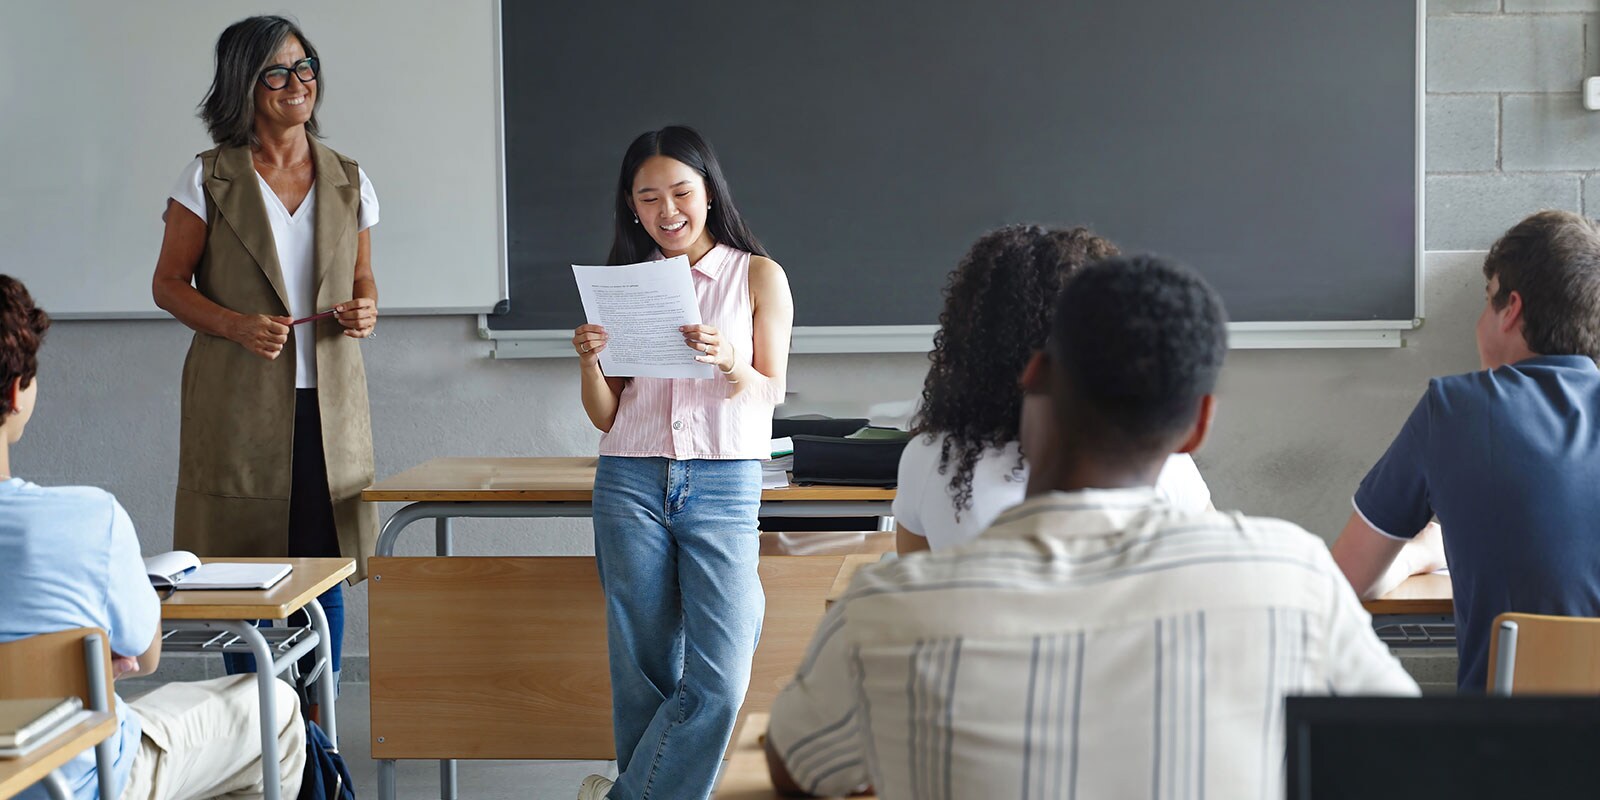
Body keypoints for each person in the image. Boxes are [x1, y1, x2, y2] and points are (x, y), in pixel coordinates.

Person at [766, 255, 1416, 799]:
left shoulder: (885, 613)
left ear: (1034, 377)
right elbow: (1412, 755)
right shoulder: (1292, 580)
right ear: (1198, 424)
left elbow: (795, 769)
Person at [0, 275, 305, 800]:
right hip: (80, 780)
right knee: (275, 708)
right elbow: (143, 656)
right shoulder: (89, 521)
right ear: (15, 391)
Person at [151, 15, 381, 689]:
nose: (296, 84)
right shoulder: (209, 177)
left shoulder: (348, 177)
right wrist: (233, 324)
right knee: (235, 575)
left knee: (323, 566)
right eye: (275, 72)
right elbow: (168, 285)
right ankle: (250, 727)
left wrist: (366, 305)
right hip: (239, 407)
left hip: (328, 405)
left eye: (304, 66)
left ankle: (317, 730)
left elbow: (363, 275)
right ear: (244, 85)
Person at [570, 126, 794, 800]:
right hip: (629, 477)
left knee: (720, 677)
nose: (667, 211)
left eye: (681, 192)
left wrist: (729, 357)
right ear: (631, 207)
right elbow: (607, 414)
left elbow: (770, 389)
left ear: (708, 193)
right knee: (642, 670)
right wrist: (587, 359)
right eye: (648, 198)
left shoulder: (756, 273)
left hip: (724, 480)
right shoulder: (625, 285)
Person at [1332, 209, 1600, 691]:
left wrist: (1420, 554)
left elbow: (1345, 581)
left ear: (1511, 309)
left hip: (1501, 751)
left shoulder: (1453, 410)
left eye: (1485, 302)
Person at [895, 226, 1212, 554]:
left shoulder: (932, 460)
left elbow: (911, 581)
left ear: (971, 337)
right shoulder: (1156, 455)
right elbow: (1212, 559)